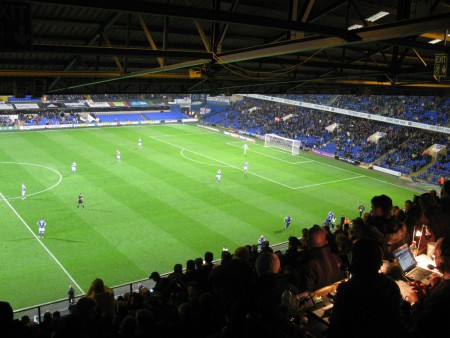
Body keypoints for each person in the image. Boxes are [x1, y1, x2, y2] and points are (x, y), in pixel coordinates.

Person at [328, 238, 407, 338]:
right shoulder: (390, 285)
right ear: (379, 263)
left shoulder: (347, 290)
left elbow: (335, 328)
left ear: (354, 261)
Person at [406, 237, 450, 337]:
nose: (435, 261)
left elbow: (422, 327)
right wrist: (430, 291)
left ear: (443, 260)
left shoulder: (442, 294)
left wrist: (414, 302)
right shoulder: (443, 284)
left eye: (436, 256)